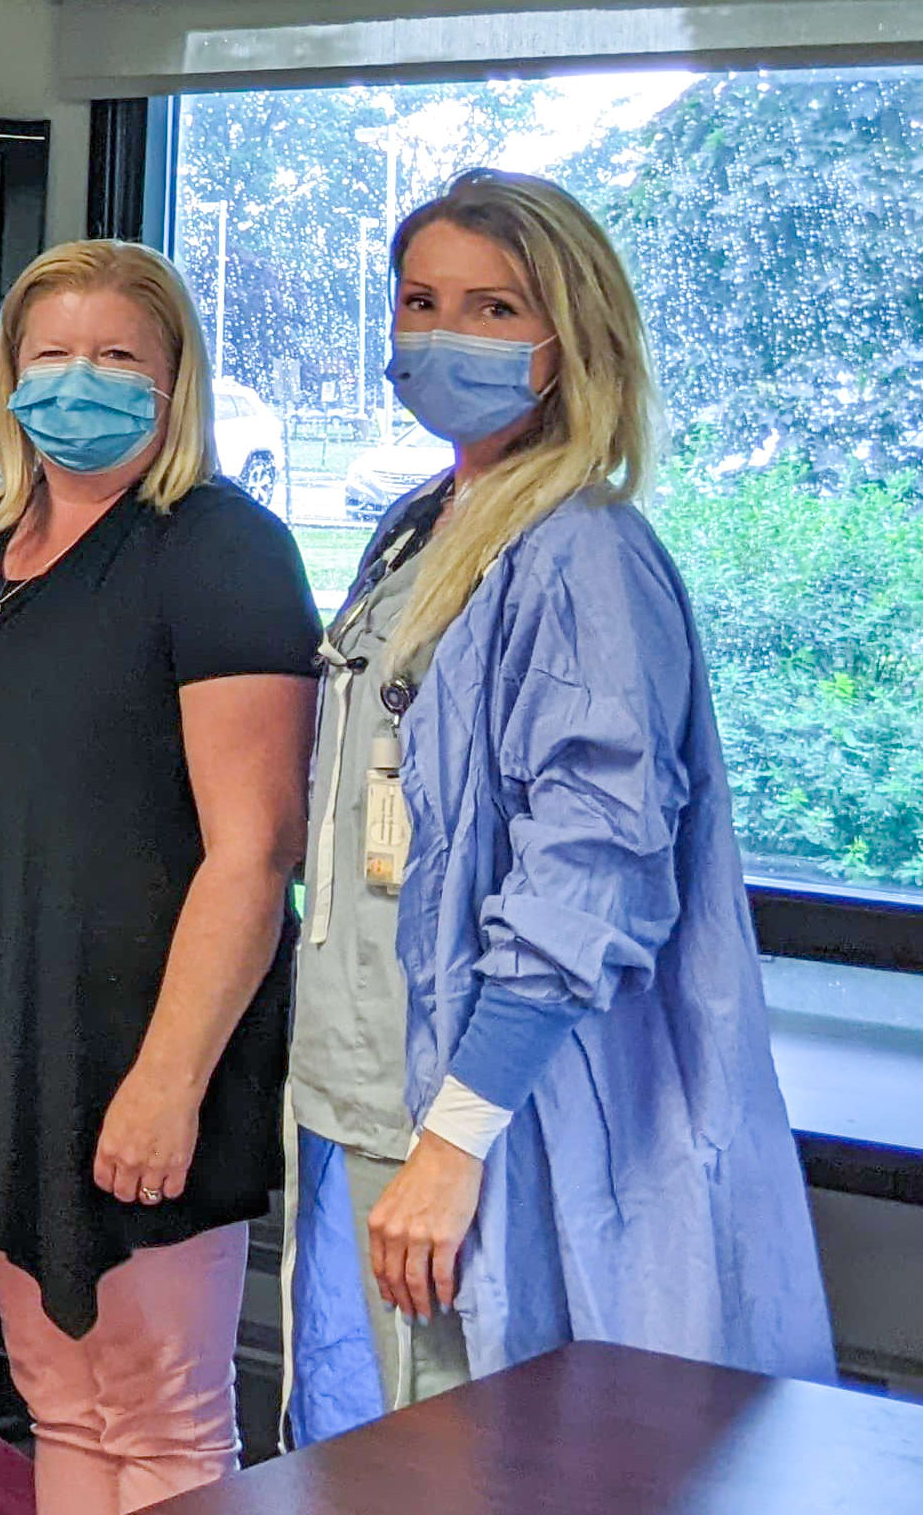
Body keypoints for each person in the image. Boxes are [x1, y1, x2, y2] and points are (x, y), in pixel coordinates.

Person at [281, 169, 833, 1438]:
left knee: (475, 1454)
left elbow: (594, 864)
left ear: (566, 338)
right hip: (364, 1079)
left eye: (491, 307)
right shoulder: (428, 529)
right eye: (421, 301)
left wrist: (455, 1137)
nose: (441, 335)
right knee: (376, 1441)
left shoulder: (581, 549)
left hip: (474, 1111)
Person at [0, 241, 312, 1514]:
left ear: (176, 383)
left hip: (146, 1044)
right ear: (7, 378)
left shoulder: (221, 549)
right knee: (62, 1404)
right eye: (51, 355)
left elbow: (257, 846)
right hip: (6, 1039)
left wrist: (167, 1084)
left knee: (163, 1423)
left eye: (119, 356)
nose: (80, 381)